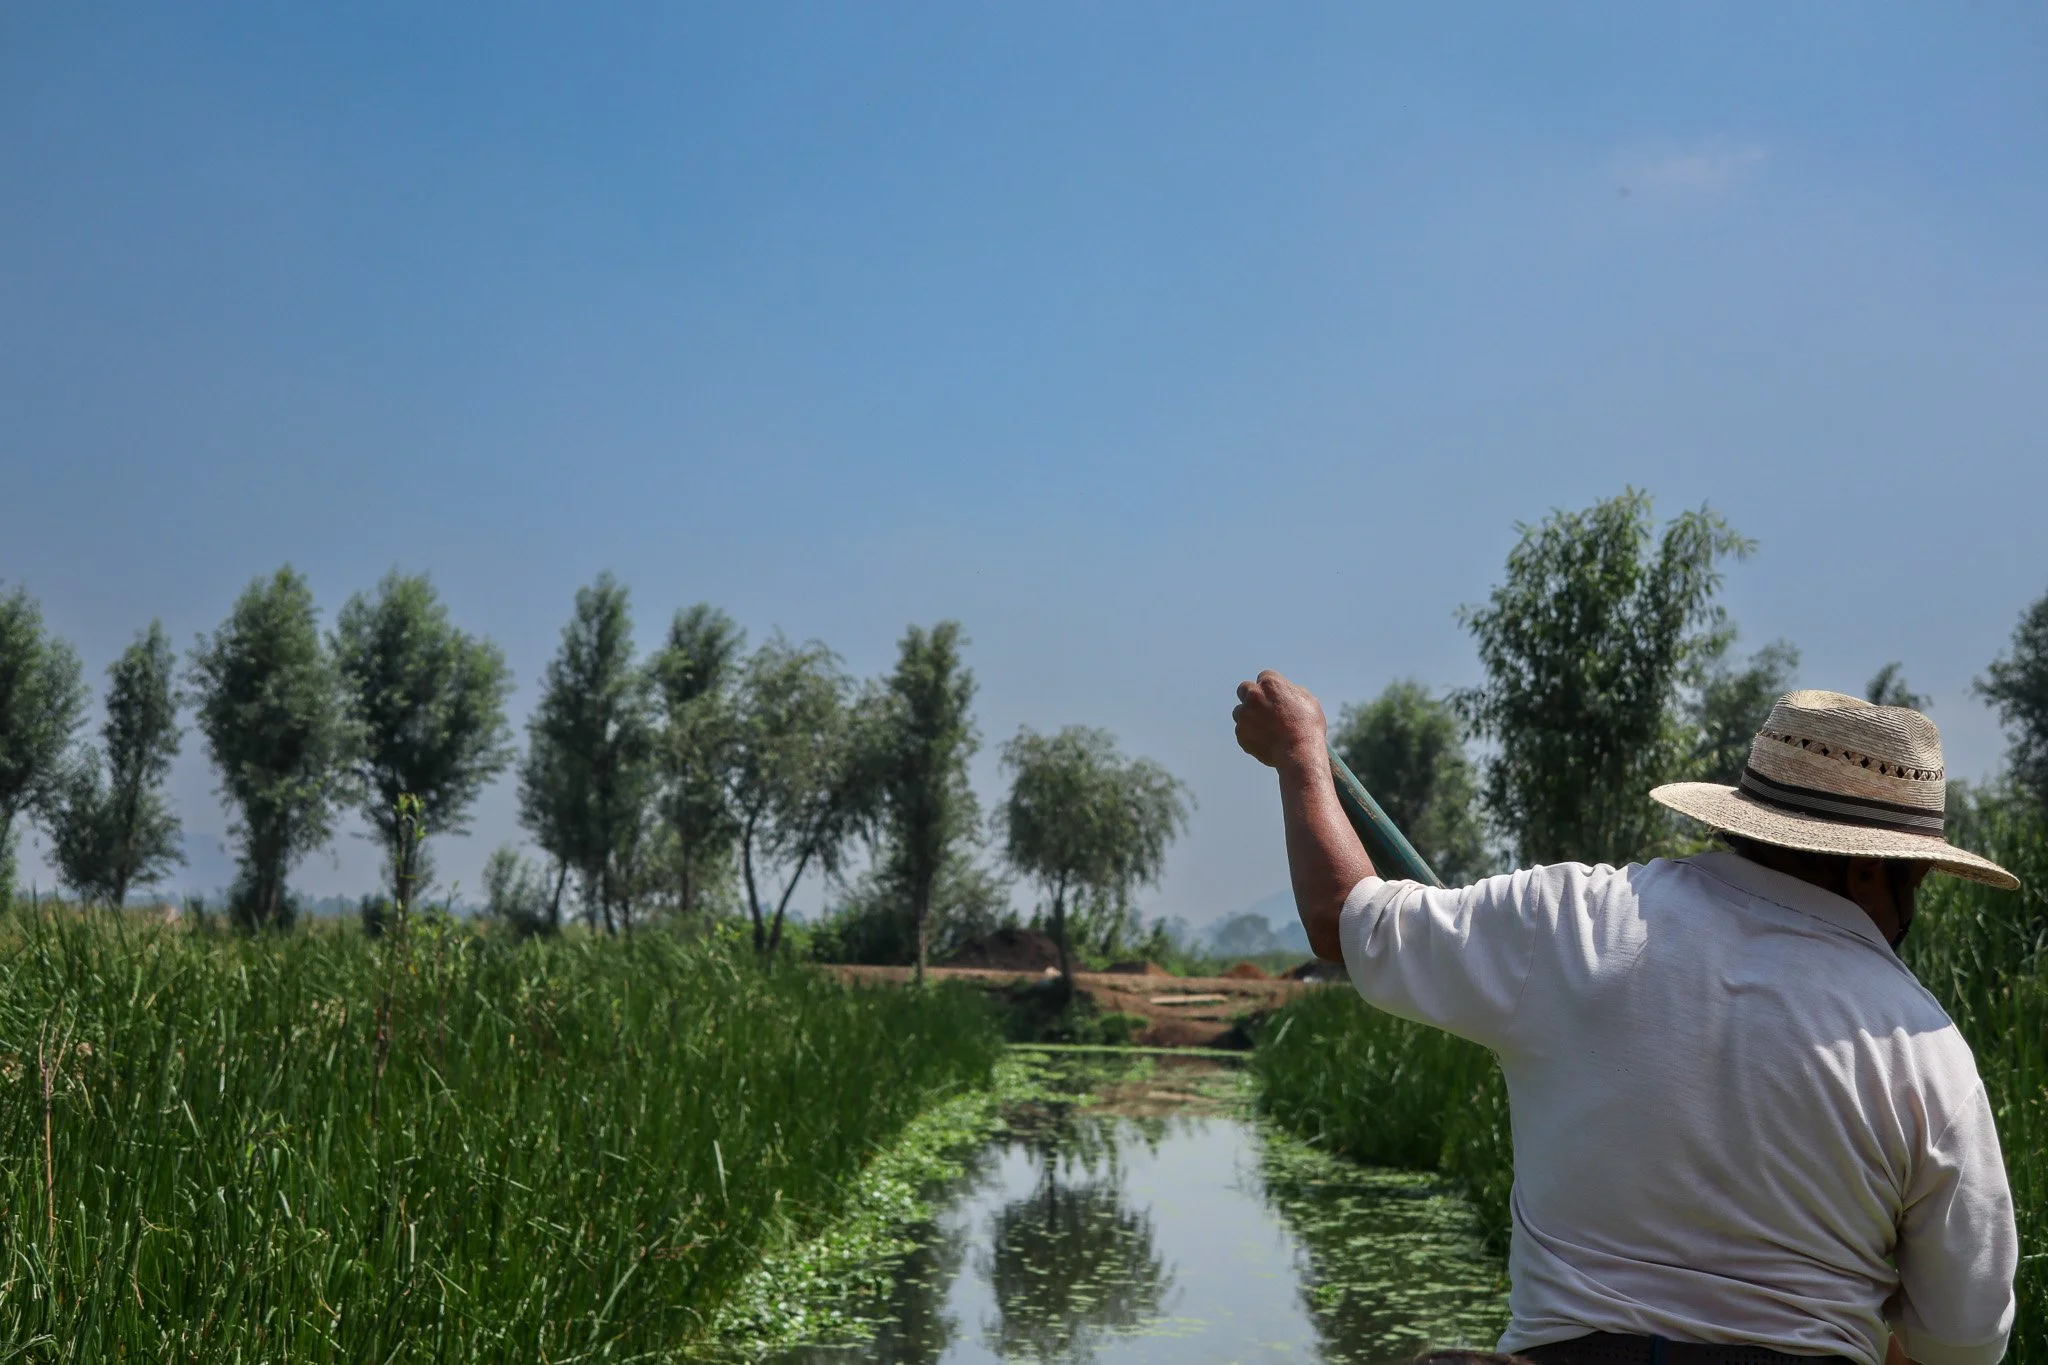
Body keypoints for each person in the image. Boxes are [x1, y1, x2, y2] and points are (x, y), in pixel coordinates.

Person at [1233, 676, 2019, 1365]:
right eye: (1915, 882)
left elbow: (1346, 917)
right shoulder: (1929, 1048)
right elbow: (1963, 1339)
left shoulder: (1573, 918)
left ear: (1746, 817)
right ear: (1870, 867)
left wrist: (1300, 751)